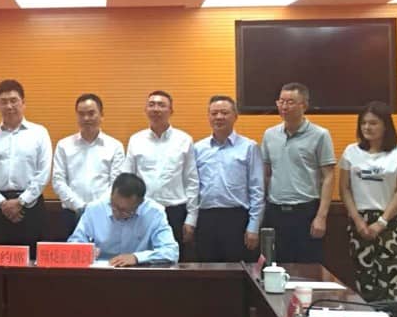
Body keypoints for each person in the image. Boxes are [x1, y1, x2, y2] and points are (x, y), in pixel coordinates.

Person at [67, 172, 178, 317]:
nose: (118, 214)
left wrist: (137, 257)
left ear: (139, 204)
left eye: (126, 212)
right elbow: (73, 243)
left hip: (138, 287)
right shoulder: (95, 209)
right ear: (111, 195)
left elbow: (171, 251)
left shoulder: (154, 213)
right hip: (98, 285)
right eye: (115, 207)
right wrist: (84, 250)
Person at [338, 101, 397, 302]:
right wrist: (357, 220)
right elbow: (344, 189)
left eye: (373, 123)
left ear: (385, 125)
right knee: (363, 276)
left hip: (390, 220)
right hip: (360, 220)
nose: (367, 127)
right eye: (363, 123)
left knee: (391, 277)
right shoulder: (351, 152)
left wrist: (381, 222)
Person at [261, 83, 336, 264]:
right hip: (275, 211)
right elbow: (266, 174)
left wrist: (321, 217)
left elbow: (329, 176)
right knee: (275, 266)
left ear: (304, 105)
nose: (284, 106)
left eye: (290, 102)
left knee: (307, 268)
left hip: (305, 211)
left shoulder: (320, 135)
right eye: (281, 101)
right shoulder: (270, 134)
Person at [0, 79, 52, 256]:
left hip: (30, 207)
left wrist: (21, 201)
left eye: (13, 100)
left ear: (23, 103)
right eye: (4, 102)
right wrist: (1, 203)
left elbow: (43, 172)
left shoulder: (39, 133)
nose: (9, 106)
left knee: (31, 262)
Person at [124, 90, 199, 260]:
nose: (156, 109)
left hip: (175, 212)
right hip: (143, 211)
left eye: (161, 105)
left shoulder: (184, 140)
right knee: (141, 260)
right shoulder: (136, 140)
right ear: (145, 110)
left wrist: (191, 218)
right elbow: (128, 178)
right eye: (151, 105)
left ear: (171, 111)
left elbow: (192, 181)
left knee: (174, 262)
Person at [193, 95, 265, 263]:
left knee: (238, 271)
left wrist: (254, 226)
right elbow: (193, 187)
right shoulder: (198, 148)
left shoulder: (249, 147)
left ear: (235, 116)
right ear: (208, 116)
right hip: (205, 219)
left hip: (237, 218)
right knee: (206, 271)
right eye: (214, 113)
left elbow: (257, 189)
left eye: (224, 113)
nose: (219, 117)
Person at [52, 93, 125, 240]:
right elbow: (58, 181)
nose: (86, 118)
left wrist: (96, 208)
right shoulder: (64, 145)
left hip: (105, 214)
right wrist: (79, 206)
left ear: (101, 115)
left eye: (91, 113)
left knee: (103, 254)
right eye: (81, 114)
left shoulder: (114, 146)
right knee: (72, 254)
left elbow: (116, 183)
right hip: (72, 214)